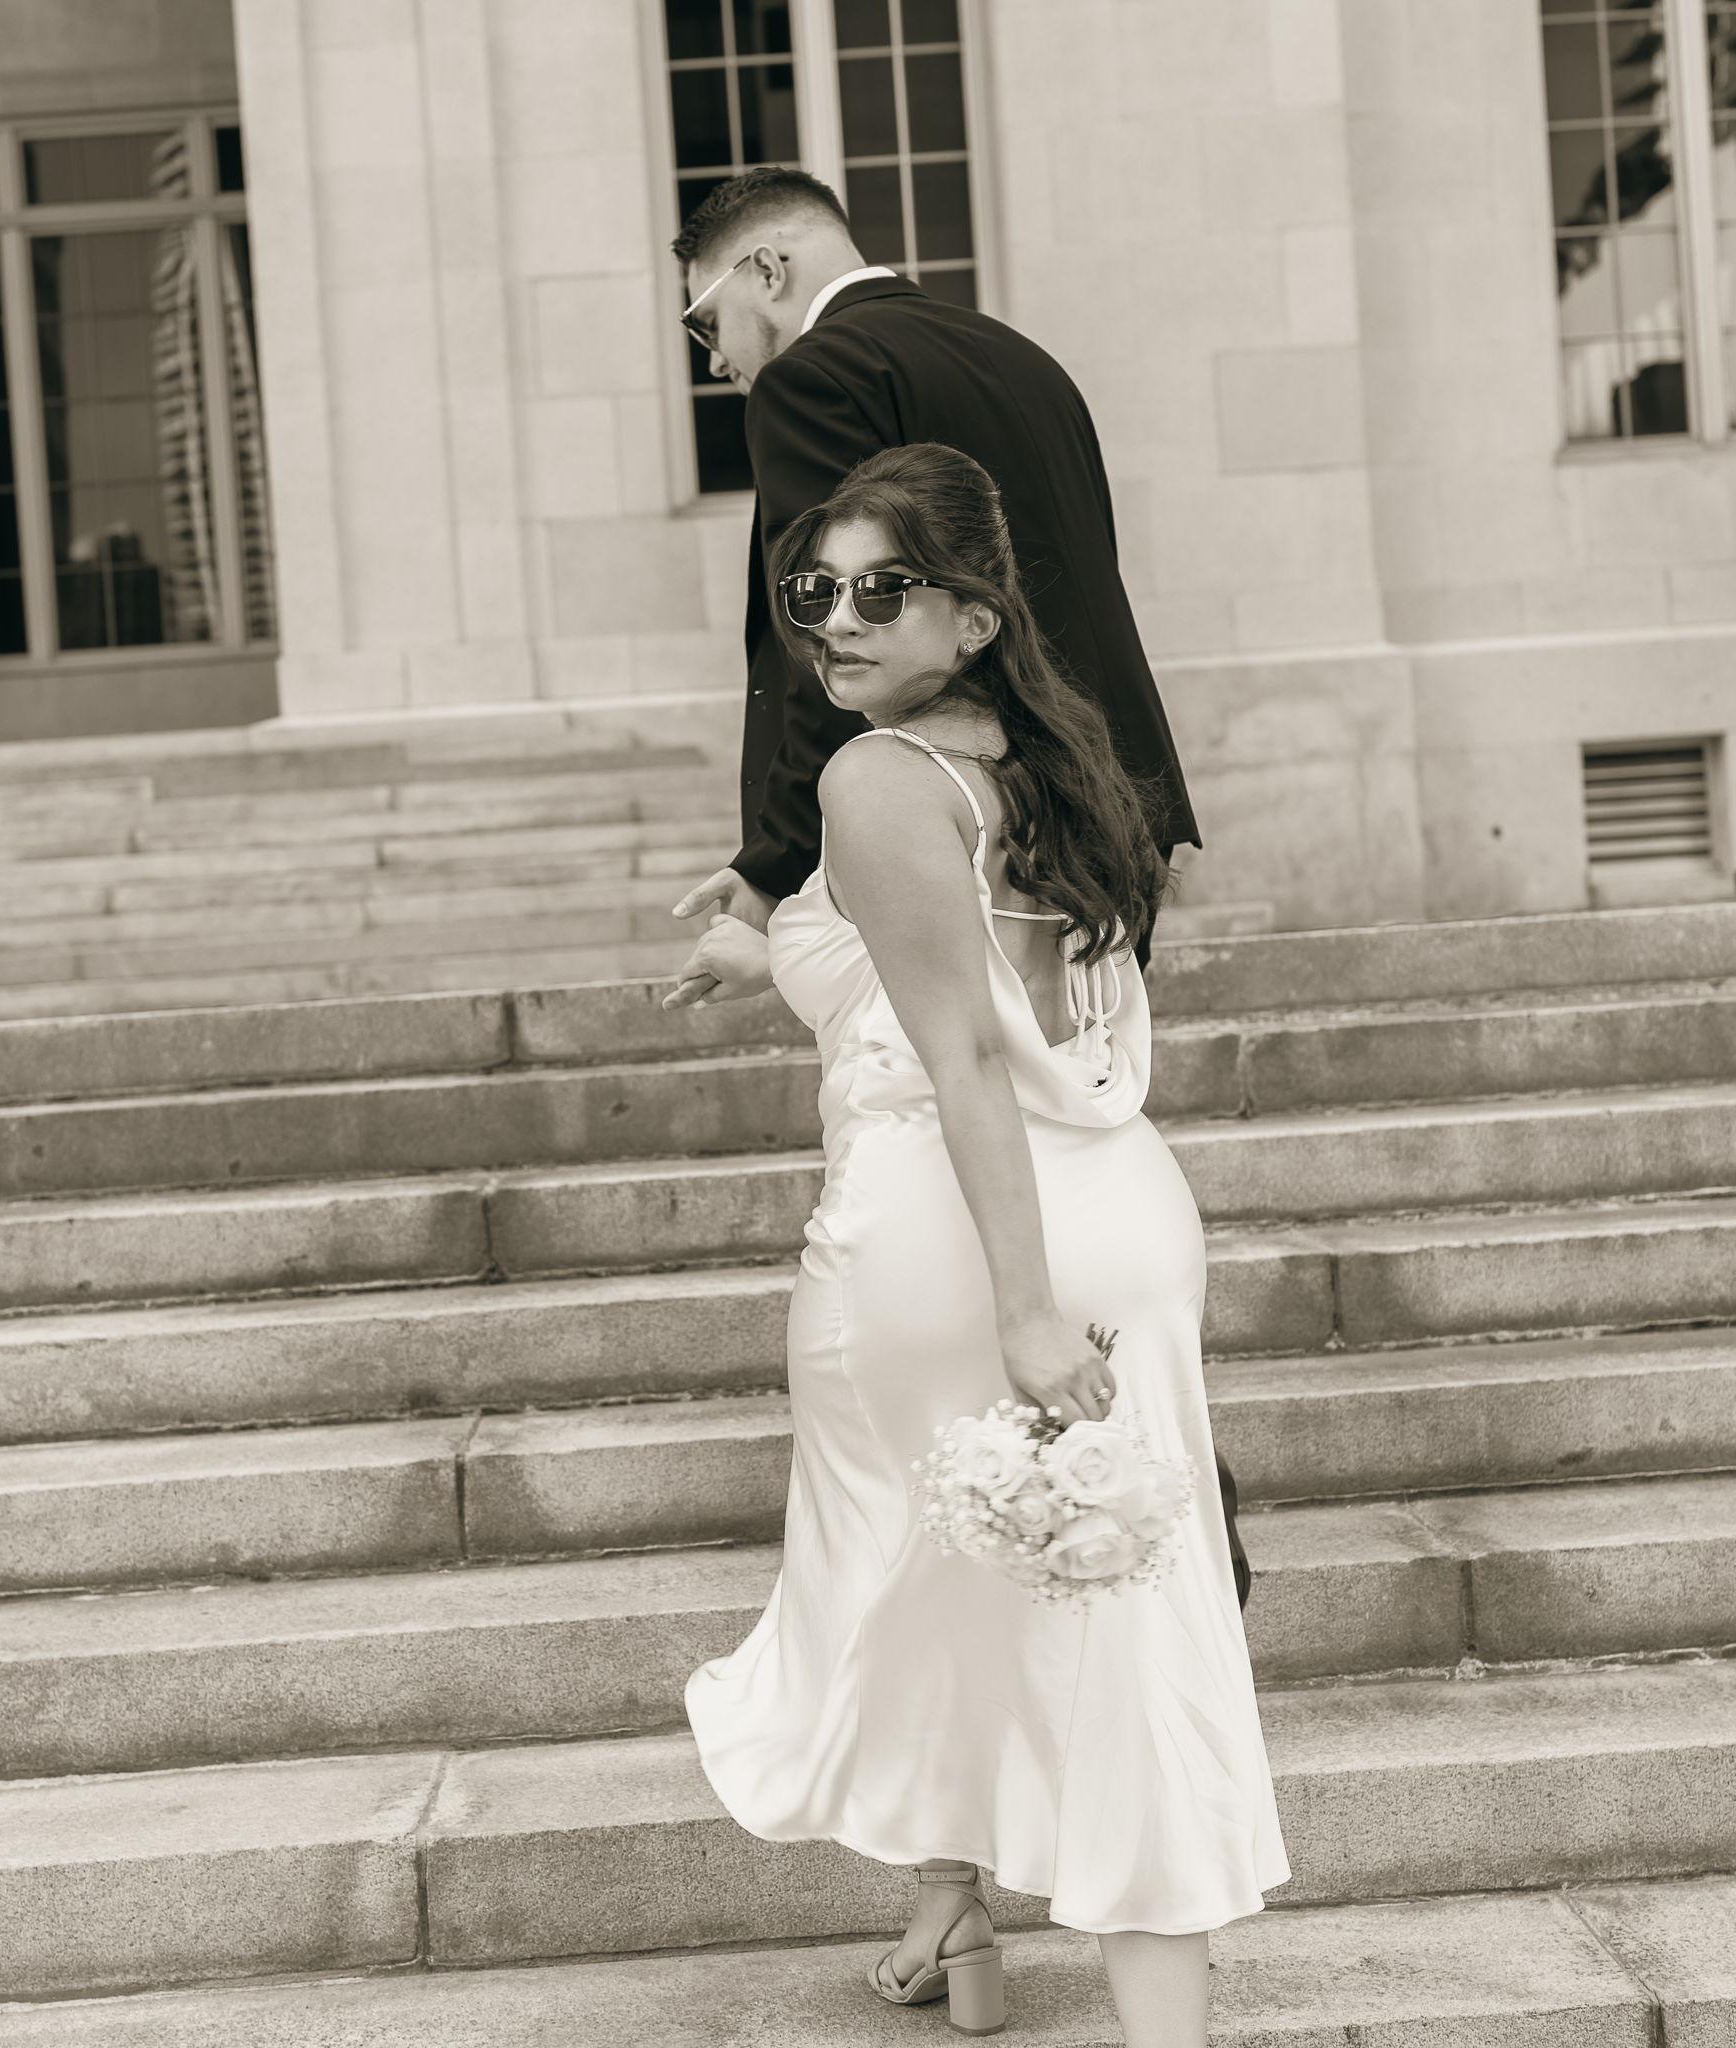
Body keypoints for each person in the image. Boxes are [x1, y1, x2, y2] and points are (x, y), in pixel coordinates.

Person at [682, 444, 1288, 2048]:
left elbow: (957, 1056)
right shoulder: (1053, 760)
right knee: (1073, 1592)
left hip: (962, 1235)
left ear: (970, 613)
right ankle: (963, 1920)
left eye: (881, 590)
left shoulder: (877, 781)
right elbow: (968, 988)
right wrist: (772, 953)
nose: (836, 621)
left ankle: (1060, 1954)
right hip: (1121, 1202)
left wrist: (1025, 1311)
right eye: (810, 592)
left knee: (939, 1585)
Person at [663, 164, 1250, 1610]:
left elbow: (826, 650)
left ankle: (1083, 1508)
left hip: (937, 809)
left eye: (706, 321)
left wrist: (774, 871)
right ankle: (1141, 1501)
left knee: (969, 1092)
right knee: (1072, 1112)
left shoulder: (817, 378)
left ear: (771, 272)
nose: (717, 359)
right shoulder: (1019, 357)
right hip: (1083, 800)